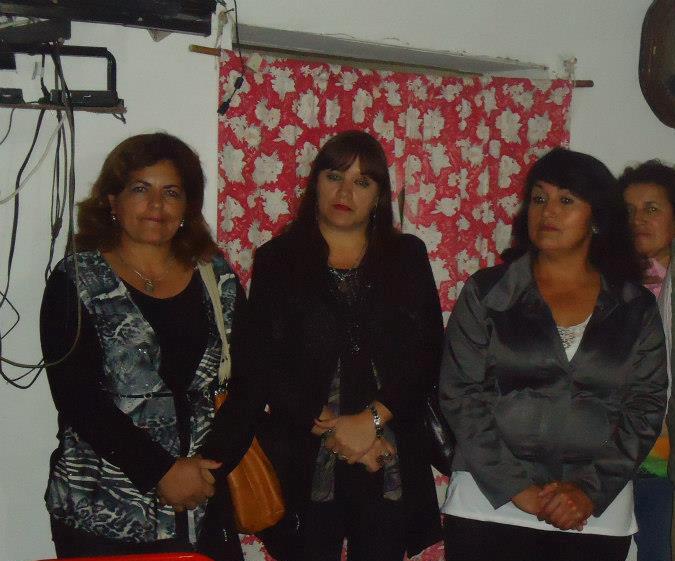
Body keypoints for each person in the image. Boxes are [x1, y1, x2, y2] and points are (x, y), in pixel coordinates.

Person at [439, 147, 668, 561]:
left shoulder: (634, 307)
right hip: (489, 503)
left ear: (597, 218)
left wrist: (588, 491)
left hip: (592, 513)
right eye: (539, 198)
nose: (548, 211)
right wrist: (518, 488)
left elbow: (646, 406)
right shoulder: (488, 292)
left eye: (566, 200)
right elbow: (461, 394)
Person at [40, 132, 252, 560]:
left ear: (187, 207)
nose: (157, 205)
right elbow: (77, 398)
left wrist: (204, 472)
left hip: (203, 502)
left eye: (171, 192)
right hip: (101, 512)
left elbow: (251, 381)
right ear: (112, 202)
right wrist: (161, 472)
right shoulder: (76, 281)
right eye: (140, 189)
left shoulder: (218, 277)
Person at [248, 130, 444, 561]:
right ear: (315, 183)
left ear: (379, 195)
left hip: (390, 454)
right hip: (306, 451)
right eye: (334, 176)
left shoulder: (407, 256)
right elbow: (261, 360)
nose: (345, 192)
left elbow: (429, 353)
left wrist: (373, 420)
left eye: (362, 181)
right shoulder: (277, 260)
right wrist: (336, 429)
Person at [621, 160, 675, 561]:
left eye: (651, 208)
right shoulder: (601, 281)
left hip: (663, 458)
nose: (638, 219)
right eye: (628, 210)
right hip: (607, 451)